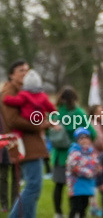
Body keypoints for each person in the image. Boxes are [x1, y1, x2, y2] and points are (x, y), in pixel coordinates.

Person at [2, 60, 50, 218]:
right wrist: (40, 125)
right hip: (24, 144)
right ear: (11, 74)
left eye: (27, 70)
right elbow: (12, 120)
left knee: (33, 188)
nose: (25, 73)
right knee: (33, 186)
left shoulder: (25, 90)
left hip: (31, 143)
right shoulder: (9, 91)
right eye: (21, 70)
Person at [49, 86, 94, 218]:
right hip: (77, 155)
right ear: (74, 98)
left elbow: (48, 131)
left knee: (59, 185)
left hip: (59, 155)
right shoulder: (79, 113)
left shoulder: (56, 113)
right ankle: (74, 212)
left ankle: (58, 212)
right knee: (74, 186)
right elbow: (92, 132)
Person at [65, 128, 101, 218]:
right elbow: (73, 167)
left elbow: (96, 164)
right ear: (77, 140)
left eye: (86, 138)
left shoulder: (91, 152)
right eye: (81, 138)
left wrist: (98, 170)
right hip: (76, 184)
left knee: (84, 206)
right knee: (75, 206)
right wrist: (88, 172)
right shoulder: (74, 152)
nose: (84, 140)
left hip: (87, 185)